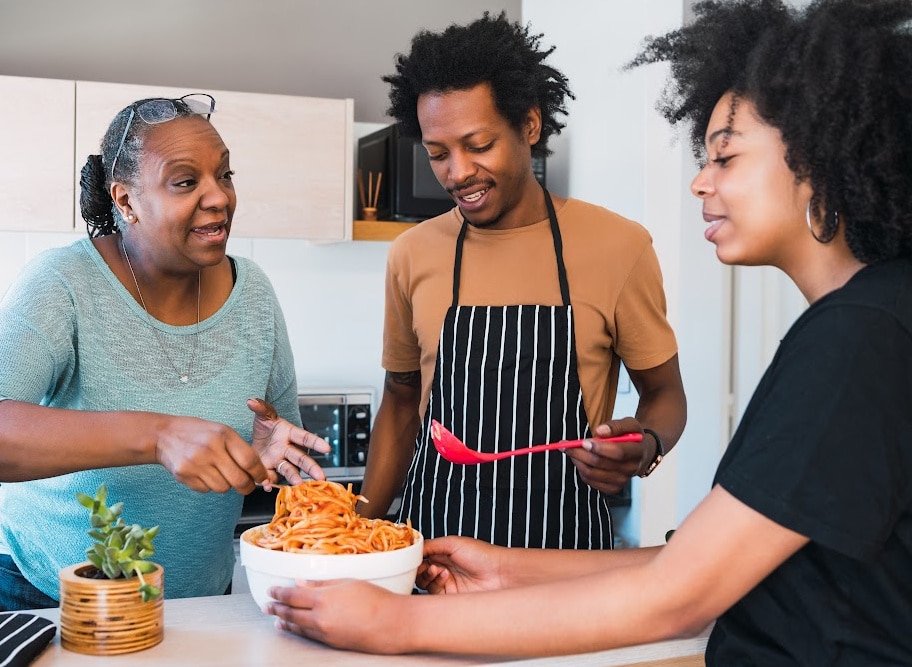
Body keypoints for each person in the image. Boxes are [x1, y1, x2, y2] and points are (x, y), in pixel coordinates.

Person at [266, 0, 912, 662]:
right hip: (450, 555)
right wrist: (501, 569)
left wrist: (393, 625)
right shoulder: (858, 324)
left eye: (725, 157)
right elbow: (698, 562)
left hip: (567, 553)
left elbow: (679, 592)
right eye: (438, 153)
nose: (698, 181)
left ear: (820, 153)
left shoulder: (859, 337)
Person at [0, 93, 331, 611]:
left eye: (225, 175)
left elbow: (277, 448)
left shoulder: (253, 291)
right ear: (125, 202)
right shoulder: (64, 281)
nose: (219, 198)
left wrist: (260, 457)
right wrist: (157, 435)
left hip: (199, 599)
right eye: (186, 182)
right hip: (51, 592)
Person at [357, 11, 687, 551]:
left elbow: (666, 394)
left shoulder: (618, 246)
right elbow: (400, 400)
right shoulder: (411, 254)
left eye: (478, 144)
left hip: (565, 557)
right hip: (435, 556)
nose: (457, 172)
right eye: (438, 154)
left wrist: (644, 446)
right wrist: (361, 531)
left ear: (529, 125)